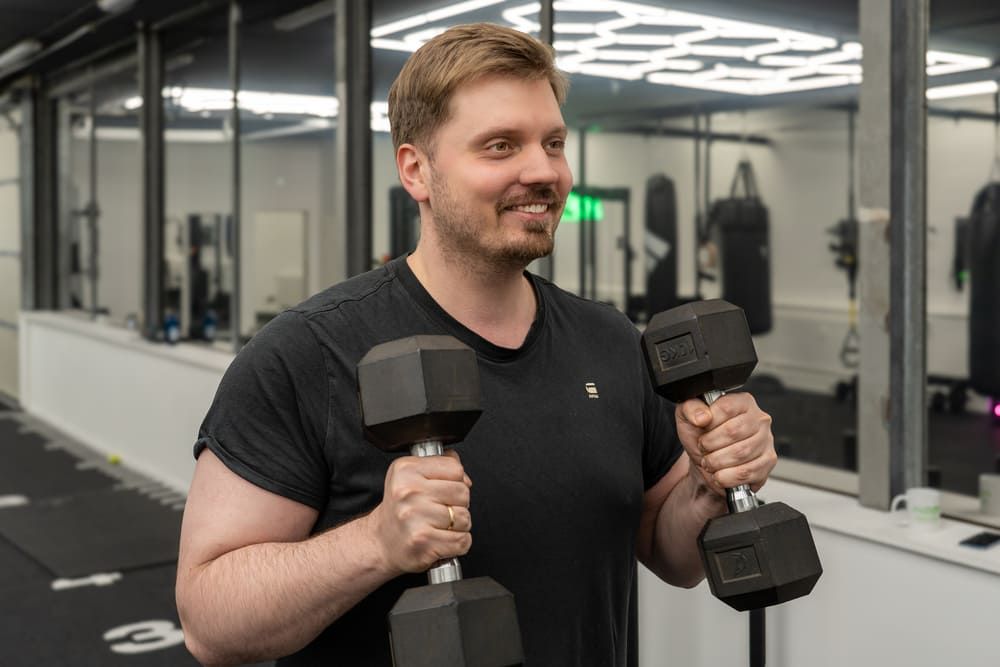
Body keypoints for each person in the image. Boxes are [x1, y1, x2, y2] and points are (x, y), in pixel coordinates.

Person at [175, 22, 776, 666]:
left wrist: (708, 486)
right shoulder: (308, 352)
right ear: (416, 171)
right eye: (500, 146)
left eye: (553, 143)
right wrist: (375, 543)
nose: (543, 171)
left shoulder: (610, 340)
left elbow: (670, 553)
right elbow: (210, 623)